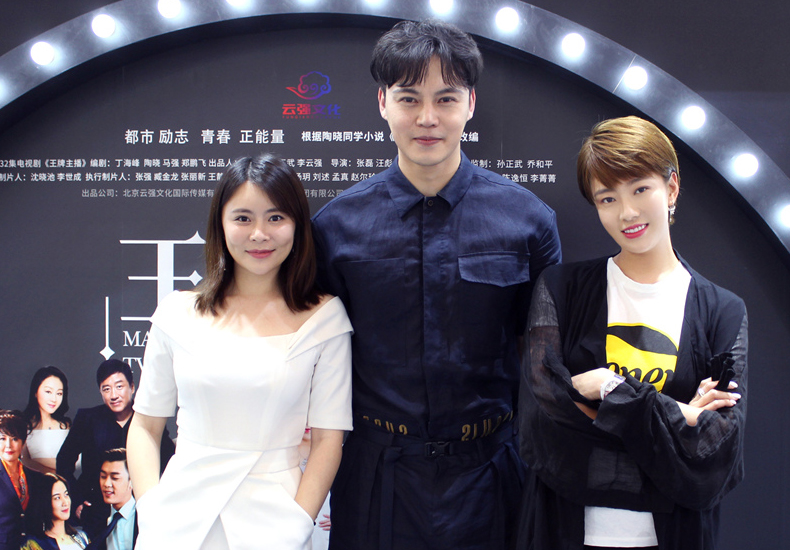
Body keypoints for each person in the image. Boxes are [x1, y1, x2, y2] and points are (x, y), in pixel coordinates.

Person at [312, 19, 561, 550]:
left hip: (493, 474)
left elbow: (544, 360)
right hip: (375, 476)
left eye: (445, 99)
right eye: (409, 98)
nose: (427, 118)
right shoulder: (335, 227)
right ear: (383, 103)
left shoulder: (528, 221)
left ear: (470, 104)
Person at [517, 116, 747, 550]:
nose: (626, 212)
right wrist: (680, 415)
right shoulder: (561, 290)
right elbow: (541, 425)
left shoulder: (722, 311)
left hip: (674, 535)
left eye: (640, 189)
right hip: (564, 529)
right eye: (607, 198)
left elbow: (716, 453)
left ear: (671, 188)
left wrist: (606, 387)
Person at [127, 153, 353, 550]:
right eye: (243, 218)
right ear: (221, 224)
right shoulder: (177, 313)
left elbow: (327, 440)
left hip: (276, 522)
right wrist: (150, 511)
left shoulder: (323, 319)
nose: (259, 234)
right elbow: (145, 427)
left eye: (276, 217)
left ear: (297, 225)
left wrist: (298, 523)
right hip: (178, 520)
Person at [56, 360, 175, 540]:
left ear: (132, 387)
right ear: (100, 392)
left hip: (140, 510)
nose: (114, 395)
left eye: (119, 387)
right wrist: (77, 500)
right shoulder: (88, 419)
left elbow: (169, 463)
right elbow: (63, 460)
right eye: (106, 389)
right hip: (96, 509)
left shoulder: (148, 420)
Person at [0, 410, 45, 550]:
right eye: (2, 439)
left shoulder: (36, 478)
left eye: (15, 439)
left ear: (23, 443)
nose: (9, 445)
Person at [21, 367, 73, 475]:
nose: (54, 399)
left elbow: (76, 463)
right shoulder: (24, 426)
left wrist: (37, 460)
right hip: (36, 482)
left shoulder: (66, 426)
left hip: (67, 483)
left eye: (59, 393)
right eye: (48, 392)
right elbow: (25, 462)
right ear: (35, 392)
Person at [19, 473, 90, 550]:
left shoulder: (82, 537)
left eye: (66, 495)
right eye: (57, 498)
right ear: (45, 502)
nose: (65, 502)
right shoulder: (33, 544)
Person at [97, 449, 136, 550]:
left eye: (114, 478)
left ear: (132, 481)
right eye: (103, 477)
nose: (106, 484)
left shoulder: (145, 515)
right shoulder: (96, 517)